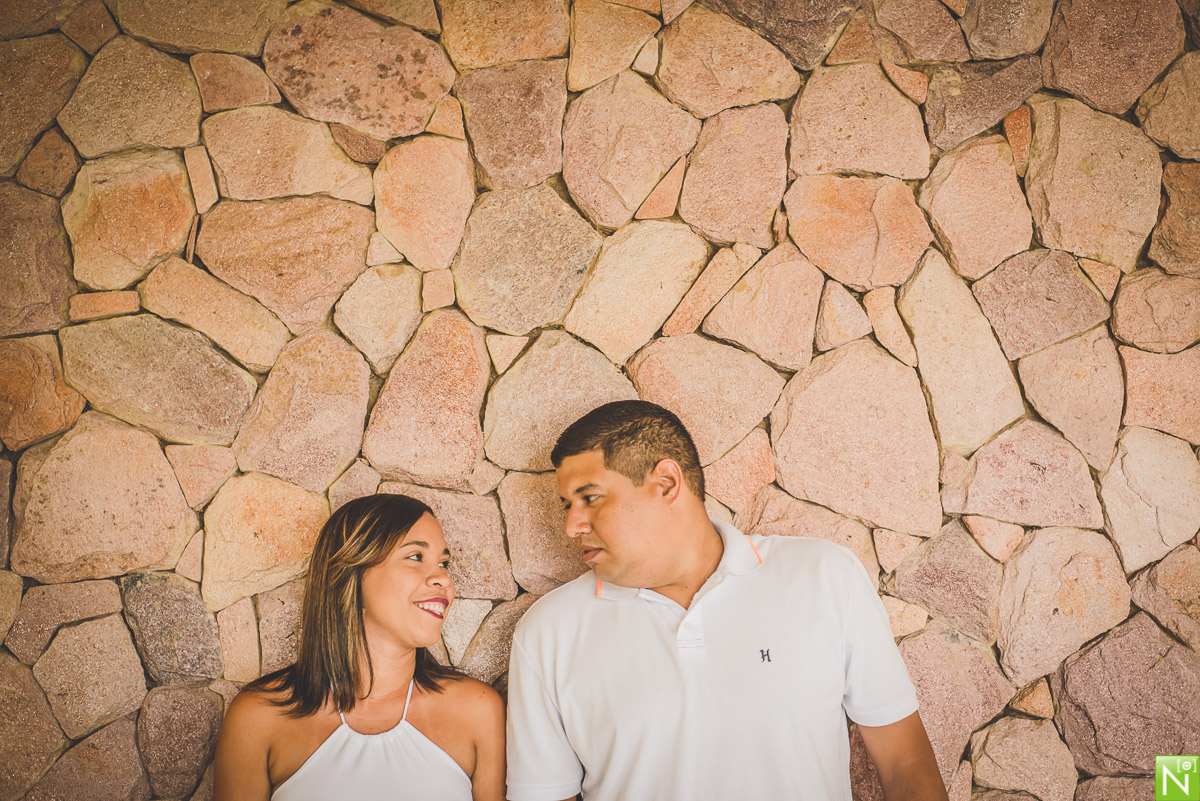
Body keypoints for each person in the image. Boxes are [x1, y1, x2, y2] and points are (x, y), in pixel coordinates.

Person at [505, 400, 947, 801]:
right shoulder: (547, 633)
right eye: (567, 505)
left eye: (590, 498)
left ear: (665, 483)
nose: (572, 525)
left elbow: (905, 764)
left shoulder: (825, 576)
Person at [213, 493, 506, 801]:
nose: (443, 579)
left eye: (444, 563)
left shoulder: (478, 711)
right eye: (416, 557)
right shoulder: (257, 717)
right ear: (352, 575)